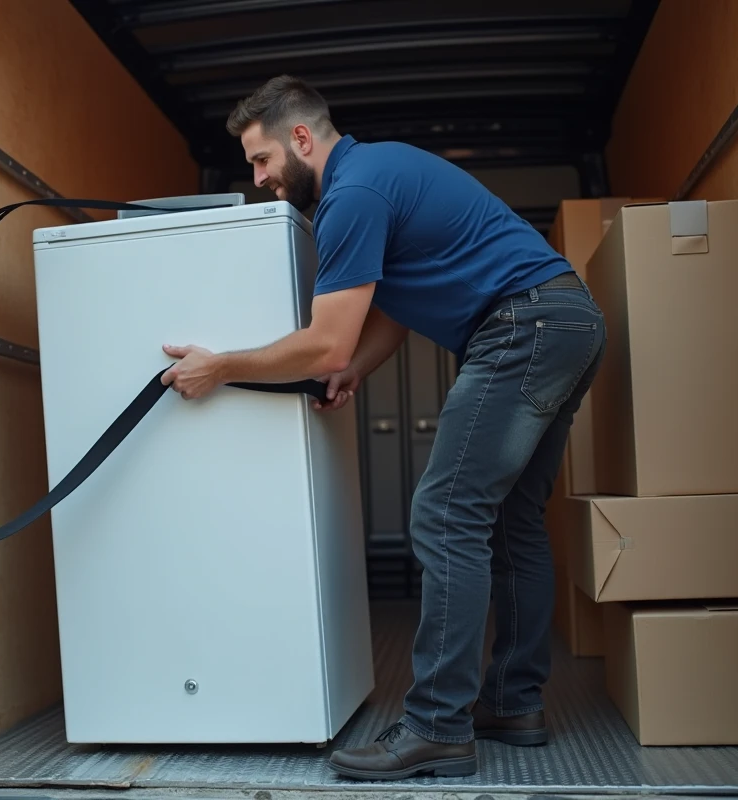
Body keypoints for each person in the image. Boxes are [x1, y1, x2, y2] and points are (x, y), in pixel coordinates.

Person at [160, 75, 606, 781]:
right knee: (513, 520)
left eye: (262, 159)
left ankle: (435, 727)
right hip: (566, 320)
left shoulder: (350, 196)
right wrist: (359, 368)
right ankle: (512, 704)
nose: (259, 179)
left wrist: (222, 368)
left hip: (524, 327)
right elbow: (394, 306)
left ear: (301, 139)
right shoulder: (377, 174)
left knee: (446, 511)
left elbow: (323, 342)